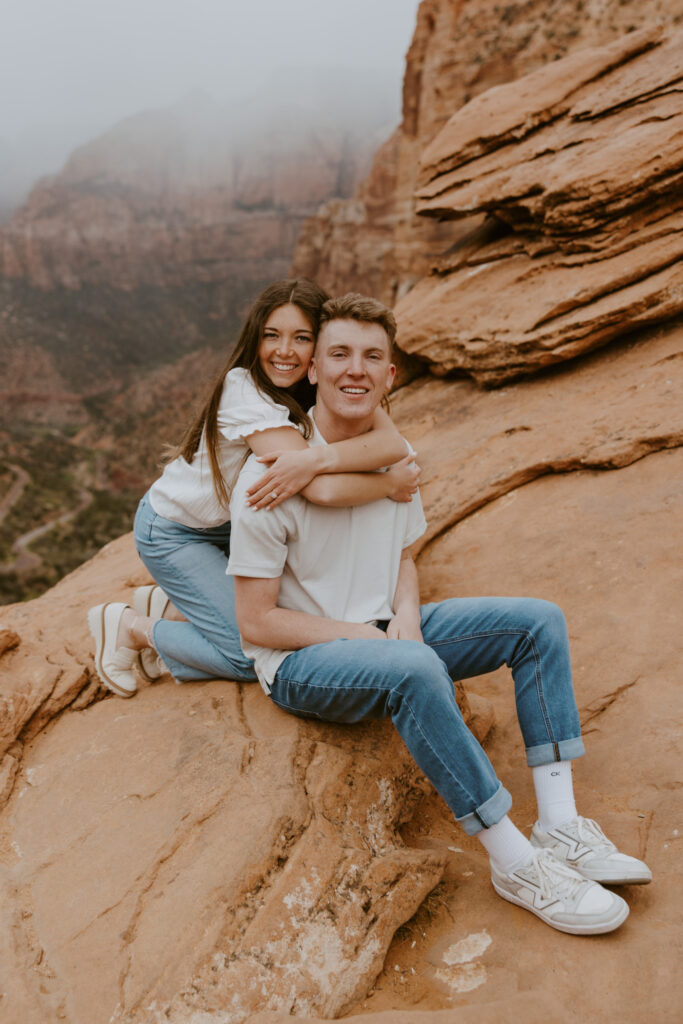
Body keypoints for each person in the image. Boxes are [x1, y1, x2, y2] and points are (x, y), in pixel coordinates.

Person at [227, 292, 652, 936]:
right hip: (302, 660)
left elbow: (402, 552)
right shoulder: (270, 477)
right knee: (414, 669)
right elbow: (256, 623)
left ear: (390, 375)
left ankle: (561, 824)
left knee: (537, 621)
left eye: (373, 356)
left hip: (383, 633)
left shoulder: (394, 460)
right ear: (312, 368)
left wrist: (404, 615)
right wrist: (376, 641)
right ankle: (515, 863)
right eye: (338, 352)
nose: (355, 369)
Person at [88, 279, 419, 698]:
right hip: (175, 531)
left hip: (231, 527)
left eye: (301, 338)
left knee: (286, 614)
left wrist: (316, 458)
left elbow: (391, 442)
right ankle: (132, 628)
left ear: (317, 352)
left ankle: (172, 607)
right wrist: (388, 482)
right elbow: (317, 491)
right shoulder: (245, 390)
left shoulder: (311, 386)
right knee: (252, 654)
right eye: (271, 336)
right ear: (254, 338)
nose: (285, 351)